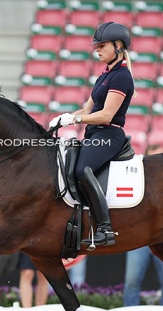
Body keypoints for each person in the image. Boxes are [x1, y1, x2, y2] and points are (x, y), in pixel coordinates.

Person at [49, 22, 135, 247]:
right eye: (96, 46)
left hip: (110, 134)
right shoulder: (104, 76)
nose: (97, 50)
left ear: (118, 46)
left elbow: (106, 115)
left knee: (82, 169)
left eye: (102, 46)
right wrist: (63, 118)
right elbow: (87, 111)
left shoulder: (122, 77)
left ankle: (105, 228)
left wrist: (74, 119)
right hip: (94, 133)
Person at [123, 144, 163, 307]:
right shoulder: (135, 182)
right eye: (154, 158)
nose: (158, 163)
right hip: (140, 239)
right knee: (131, 282)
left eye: (162, 157)